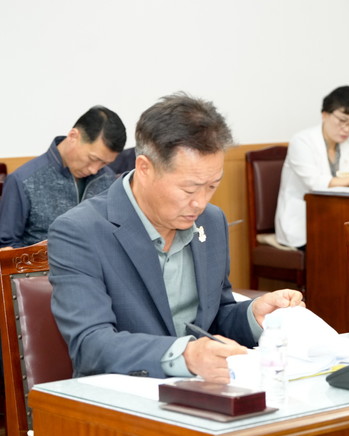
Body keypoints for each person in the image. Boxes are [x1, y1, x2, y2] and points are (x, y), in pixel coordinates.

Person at [49, 93, 304, 382]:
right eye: (189, 189)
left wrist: (253, 316)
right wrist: (185, 356)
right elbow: (91, 345)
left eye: (212, 186)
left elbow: (215, 317)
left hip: (203, 390)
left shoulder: (211, 221)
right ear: (145, 168)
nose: (200, 202)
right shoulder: (79, 231)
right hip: (122, 395)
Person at [275, 85, 349, 248]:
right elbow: (317, 184)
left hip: (339, 220)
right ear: (325, 114)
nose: (347, 128)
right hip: (303, 225)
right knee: (342, 250)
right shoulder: (302, 141)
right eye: (342, 121)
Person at [0, 106, 126, 248]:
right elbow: (7, 245)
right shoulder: (22, 180)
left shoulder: (108, 180)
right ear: (73, 136)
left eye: (104, 163)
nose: (94, 169)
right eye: (92, 158)